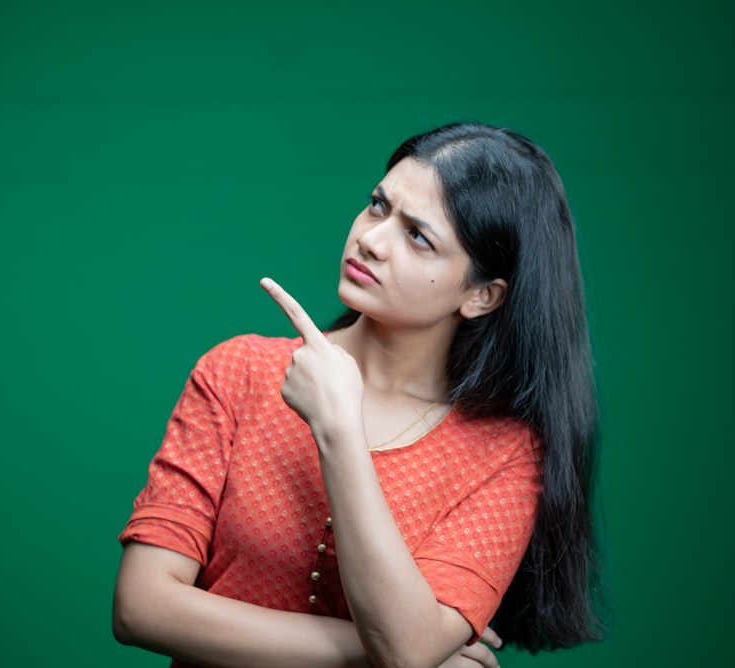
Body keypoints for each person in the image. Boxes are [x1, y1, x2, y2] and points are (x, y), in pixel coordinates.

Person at [112, 122, 604, 668]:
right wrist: (397, 651)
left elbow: (408, 649)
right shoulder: (239, 372)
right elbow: (141, 606)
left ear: (481, 296)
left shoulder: (504, 451)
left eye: (418, 236)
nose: (371, 238)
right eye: (377, 205)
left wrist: (339, 430)